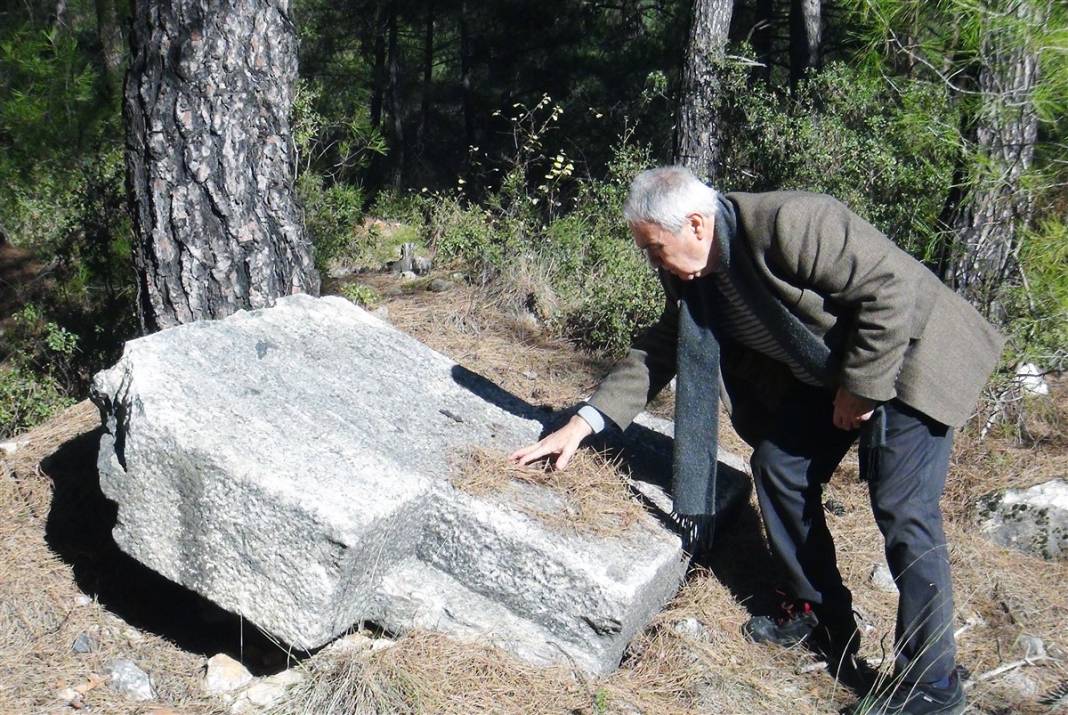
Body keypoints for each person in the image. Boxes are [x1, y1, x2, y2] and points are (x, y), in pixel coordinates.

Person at [509, 166, 1004, 715]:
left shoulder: (792, 222)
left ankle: (933, 685)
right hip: (835, 368)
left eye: (655, 248)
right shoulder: (696, 275)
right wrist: (584, 423)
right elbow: (663, 346)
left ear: (696, 225)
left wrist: (861, 390)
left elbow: (891, 292)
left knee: (904, 509)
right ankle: (821, 614)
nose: (653, 261)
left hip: (913, 352)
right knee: (779, 467)